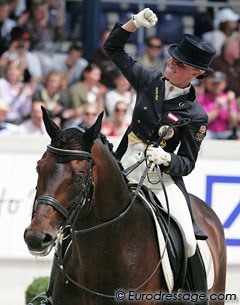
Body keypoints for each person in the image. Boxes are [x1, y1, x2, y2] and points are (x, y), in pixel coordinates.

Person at [104, 7, 216, 297]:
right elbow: (112, 48)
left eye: (181, 63)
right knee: (77, 213)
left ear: (196, 73)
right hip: (122, 164)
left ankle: (193, 297)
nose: (172, 63)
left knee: (190, 241)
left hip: (160, 178)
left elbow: (187, 163)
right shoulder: (148, 79)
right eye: (174, 57)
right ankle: (54, 292)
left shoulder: (196, 114)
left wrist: (167, 159)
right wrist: (133, 23)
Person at [198, 71, 238, 140]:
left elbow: (234, 123)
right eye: (214, 83)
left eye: (218, 83)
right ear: (210, 84)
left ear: (224, 84)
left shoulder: (229, 98)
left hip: (226, 132)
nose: (216, 86)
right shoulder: (202, 99)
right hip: (209, 132)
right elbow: (204, 120)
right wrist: (218, 108)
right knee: (202, 136)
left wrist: (229, 104)